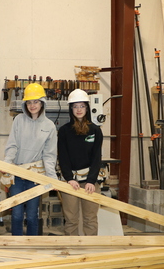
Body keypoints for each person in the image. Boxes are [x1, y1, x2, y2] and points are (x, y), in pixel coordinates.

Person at [4, 82, 58, 236]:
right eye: (29, 102)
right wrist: (7, 164)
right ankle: (17, 245)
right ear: (25, 104)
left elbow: (49, 155)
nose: (32, 105)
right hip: (17, 173)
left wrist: (52, 178)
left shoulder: (49, 127)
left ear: (42, 103)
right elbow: (12, 146)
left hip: (35, 176)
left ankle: (33, 246)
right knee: (17, 214)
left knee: (33, 214)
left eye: (36, 102)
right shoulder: (18, 121)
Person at [57, 89, 103, 236]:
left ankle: (90, 252)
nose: (79, 110)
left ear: (87, 108)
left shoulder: (95, 131)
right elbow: (63, 157)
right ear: (71, 109)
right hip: (71, 182)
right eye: (75, 106)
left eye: (82, 106)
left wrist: (91, 181)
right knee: (71, 219)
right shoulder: (64, 131)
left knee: (90, 219)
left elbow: (97, 157)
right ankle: (72, 250)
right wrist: (69, 178)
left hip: (90, 181)